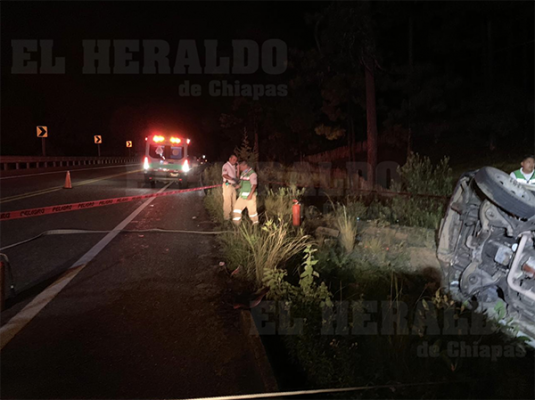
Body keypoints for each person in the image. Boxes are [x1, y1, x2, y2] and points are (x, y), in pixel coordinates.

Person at [232, 160, 259, 225]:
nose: (239, 168)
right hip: (242, 197)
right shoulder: (243, 173)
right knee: (236, 209)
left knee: (252, 213)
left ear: (245, 166)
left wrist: (250, 195)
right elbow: (241, 183)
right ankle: (236, 225)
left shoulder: (252, 174)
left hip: (250, 197)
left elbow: (254, 185)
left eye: (240, 167)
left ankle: (255, 225)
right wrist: (236, 187)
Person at [222, 154, 239, 221]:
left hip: (233, 186)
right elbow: (224, 175)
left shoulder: (234, 166)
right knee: (227, 202)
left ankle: (233, 216)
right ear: (230, 159)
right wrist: (232, 179)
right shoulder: (226, 166)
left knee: (234, 201)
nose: (235, 161)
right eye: (234, 159)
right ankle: (226, 217)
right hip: (227, 184)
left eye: (236, 160)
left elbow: (237, 176)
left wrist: (237, 168)